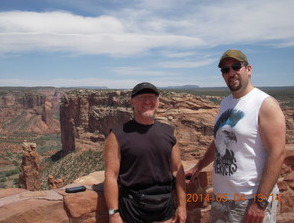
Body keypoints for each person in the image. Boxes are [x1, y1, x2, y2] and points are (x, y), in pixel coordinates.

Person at [186, 49, 286, 223]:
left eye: (235, 67)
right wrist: (198, 166)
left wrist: (260, 203)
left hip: (249, 200)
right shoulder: (225, 103)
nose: (231, 73)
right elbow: (219, 140)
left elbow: (277, 154)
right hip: (221, 197)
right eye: (225, 70)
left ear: (248, 69)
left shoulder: (265, 104)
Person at [104, 82, 187, 223]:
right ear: (132, 102)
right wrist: (113, 213)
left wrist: (182, 206)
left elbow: (177, 169)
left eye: (152, 97)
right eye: (142, 97)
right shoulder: (117, 135)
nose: (147, 101)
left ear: (158, 102)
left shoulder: (169, 132)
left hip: (165, 208)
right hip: (133, 211)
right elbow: (111, 176)